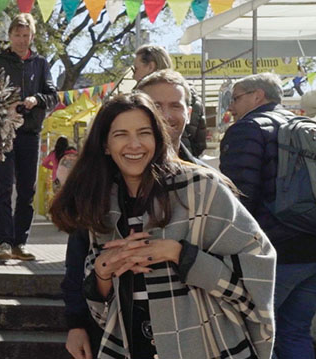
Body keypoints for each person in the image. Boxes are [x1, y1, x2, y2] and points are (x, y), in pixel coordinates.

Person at [50, 93, 275, 359]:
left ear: (158, 139)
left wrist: (180, 254)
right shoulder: (99, 200)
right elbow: (100, 306)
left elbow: (258, 267)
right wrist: (102, 272)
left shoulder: (201, 189)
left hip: (208, 344)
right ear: (106, 145)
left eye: (144, 133)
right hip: (131, 344)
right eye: (121, 134)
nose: (134, 144)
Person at [59, 69, 210, 359]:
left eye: (175, 105)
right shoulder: (99, 190)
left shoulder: (209, 186)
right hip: (117, 331)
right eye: (155, 106)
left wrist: (178, 252)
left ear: (189, 113)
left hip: (192, 336)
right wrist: (76, 322)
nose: (165, 114)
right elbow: (78, 265)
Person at [220, 73, 316, 359]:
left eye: (235, 99)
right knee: (295, 332)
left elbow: (237, 200)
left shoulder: (247, 129)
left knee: (250, 337)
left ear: (257, 96)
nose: (230, 108)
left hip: (275, 254)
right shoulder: (309, 125)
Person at [0, 13, 59, 261]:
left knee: (27, 190)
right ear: (9, 36)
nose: (21, 40)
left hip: (30, 133)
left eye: (25, 35)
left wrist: (36, 99)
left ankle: (20, 243)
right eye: (17, 35)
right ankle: (4, 243)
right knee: (3, 187)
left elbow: (53, 96)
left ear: (32, 36)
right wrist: (3, 107)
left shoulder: (41, 64)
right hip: (4, 132)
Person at [132, 45, 207, 156]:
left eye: (135, 69)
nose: (134, 76)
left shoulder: (185, 93)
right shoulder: (191, 94)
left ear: (150, 66)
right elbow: (199, 142)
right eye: (156, 106)